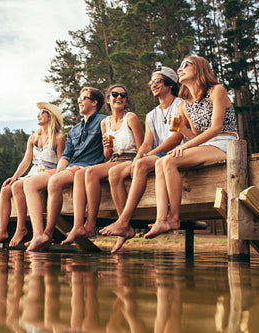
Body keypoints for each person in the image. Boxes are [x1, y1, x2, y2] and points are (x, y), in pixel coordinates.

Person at [145, 55, 238, 239]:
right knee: (160, 163)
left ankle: (174, 217)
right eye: (179, 66)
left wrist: (186, 147)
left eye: (185, 65)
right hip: (206, 145)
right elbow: (195, 136)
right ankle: (161, 218)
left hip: (226, 142)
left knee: (169, 161)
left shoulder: (216, 91)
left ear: (200, 68)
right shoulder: (185, 106)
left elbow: (216, 128)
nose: (180, 69)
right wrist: (183, 130)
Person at [99, 67, 184, 253]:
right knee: (115, 172)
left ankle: (123, 221)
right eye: (151, 82)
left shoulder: (180, 105)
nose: (152, 85)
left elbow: (177, 137)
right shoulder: (152, 115)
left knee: (143, 163)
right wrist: (139, 158)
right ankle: (124, 226)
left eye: (157, 81)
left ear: (170, 84)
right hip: (158, 155)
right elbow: (146, 144)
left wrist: (149, 155)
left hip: (178, 153)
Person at [23, 87, 106, 252]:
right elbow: (66, 156)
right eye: (79, 99)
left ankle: (48, 232)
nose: (79, 101)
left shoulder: (103, 121)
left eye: (83, 98)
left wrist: (60, 174)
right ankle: (38, 234)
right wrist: (60, 170)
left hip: (88, 167)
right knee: (30, 183)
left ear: (94, 102)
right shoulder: (75, 129)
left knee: (55, 181)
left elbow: (107, 150)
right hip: (70, 167)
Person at [61, 84, 143, 246]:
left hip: (131, 158)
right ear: (108, 100)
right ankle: (88, 225)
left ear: (126, 100)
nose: (119, 97)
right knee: (85, 173)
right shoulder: (105, 122)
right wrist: (108, 147)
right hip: (113, 160)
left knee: (106, 173)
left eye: (123, 95)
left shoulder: (131, 118)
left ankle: (123, 224)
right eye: (115, 94)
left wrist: (137, 164)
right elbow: (107, 155)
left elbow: (142, 147)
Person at [0, 102, 65, 248]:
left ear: (51, 116)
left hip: (51, 172)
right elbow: (26, 161)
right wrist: (14, 176)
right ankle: (2, 232)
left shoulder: (58, 138)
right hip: (33, 172)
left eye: (42, 112)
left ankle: (21, 228)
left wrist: (59, 176)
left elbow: (62, 161)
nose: (38, 115)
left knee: (18, 186)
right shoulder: (33, 137)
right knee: (6, 188)